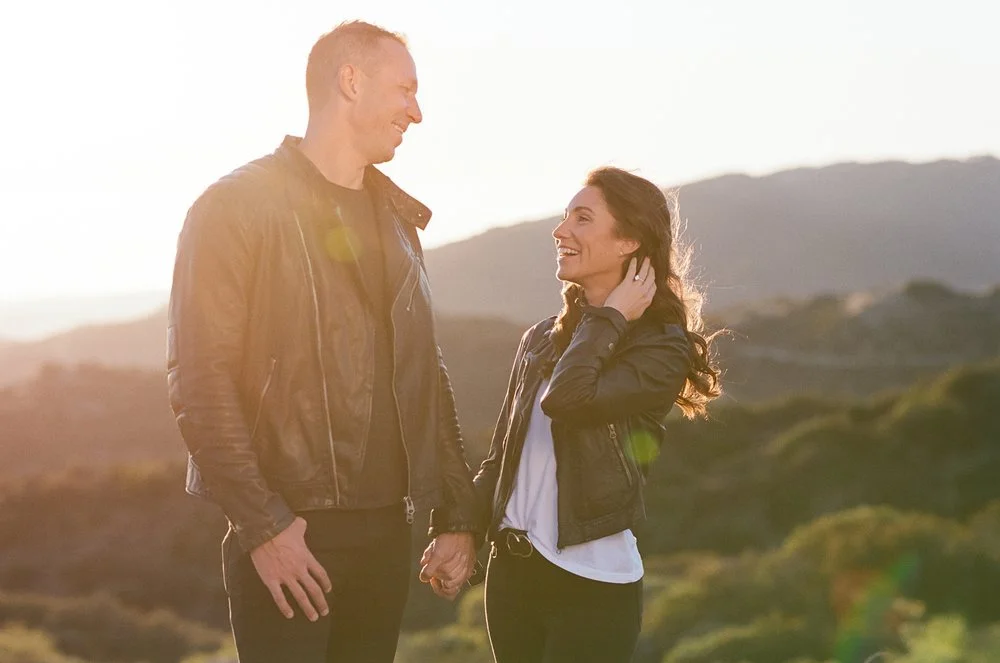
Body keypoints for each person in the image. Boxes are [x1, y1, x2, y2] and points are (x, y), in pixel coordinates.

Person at [166, 20, 479, 663]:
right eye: (406, 90)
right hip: (293, 535)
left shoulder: (398, 222)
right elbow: (200, 381)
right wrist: (264, 526)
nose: (417, 112)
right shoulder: (234, 206)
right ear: (351, 81)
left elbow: (425, 371)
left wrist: (456, 512)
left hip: (390, 533)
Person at [472, 167, 722, 663]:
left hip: (592, 586)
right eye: (566, 217)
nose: (561, 230)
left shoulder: (661, 347)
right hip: (511, 579)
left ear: (628, 241)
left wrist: (608, 318)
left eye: (582, 219)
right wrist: (457, 531)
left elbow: (568, 400)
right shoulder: (541, 337)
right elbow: (502, 457)